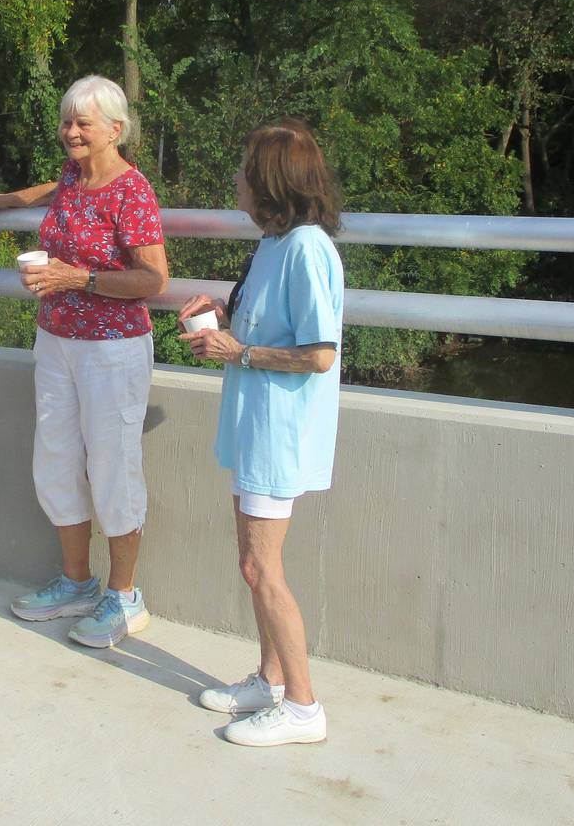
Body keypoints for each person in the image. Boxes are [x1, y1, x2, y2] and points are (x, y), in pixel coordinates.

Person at [0, 75, 168, 650]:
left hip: (112, 350)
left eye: (83, 123)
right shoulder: (73, 178)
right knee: (55, 460)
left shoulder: (133, 191)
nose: (71, 132)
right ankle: (78, 582)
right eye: (67, 121)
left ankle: (124, 598)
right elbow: (44, 192)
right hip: (56, 341)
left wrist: (78, 278)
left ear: (115, 129)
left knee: (112, 466)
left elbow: (154, 278)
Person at [177, 118, 343, 748]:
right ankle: (270, 682)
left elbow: (318, 354)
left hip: (281, 432)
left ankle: (303, 707)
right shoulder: (275, 244)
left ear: (270, 182)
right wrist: (220, 318)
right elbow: (269, 328)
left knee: (264, 568)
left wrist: (238, 352)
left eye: (245, 170)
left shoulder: (306, 248)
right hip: (255, 425)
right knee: (252, 565)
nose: (237, 182)